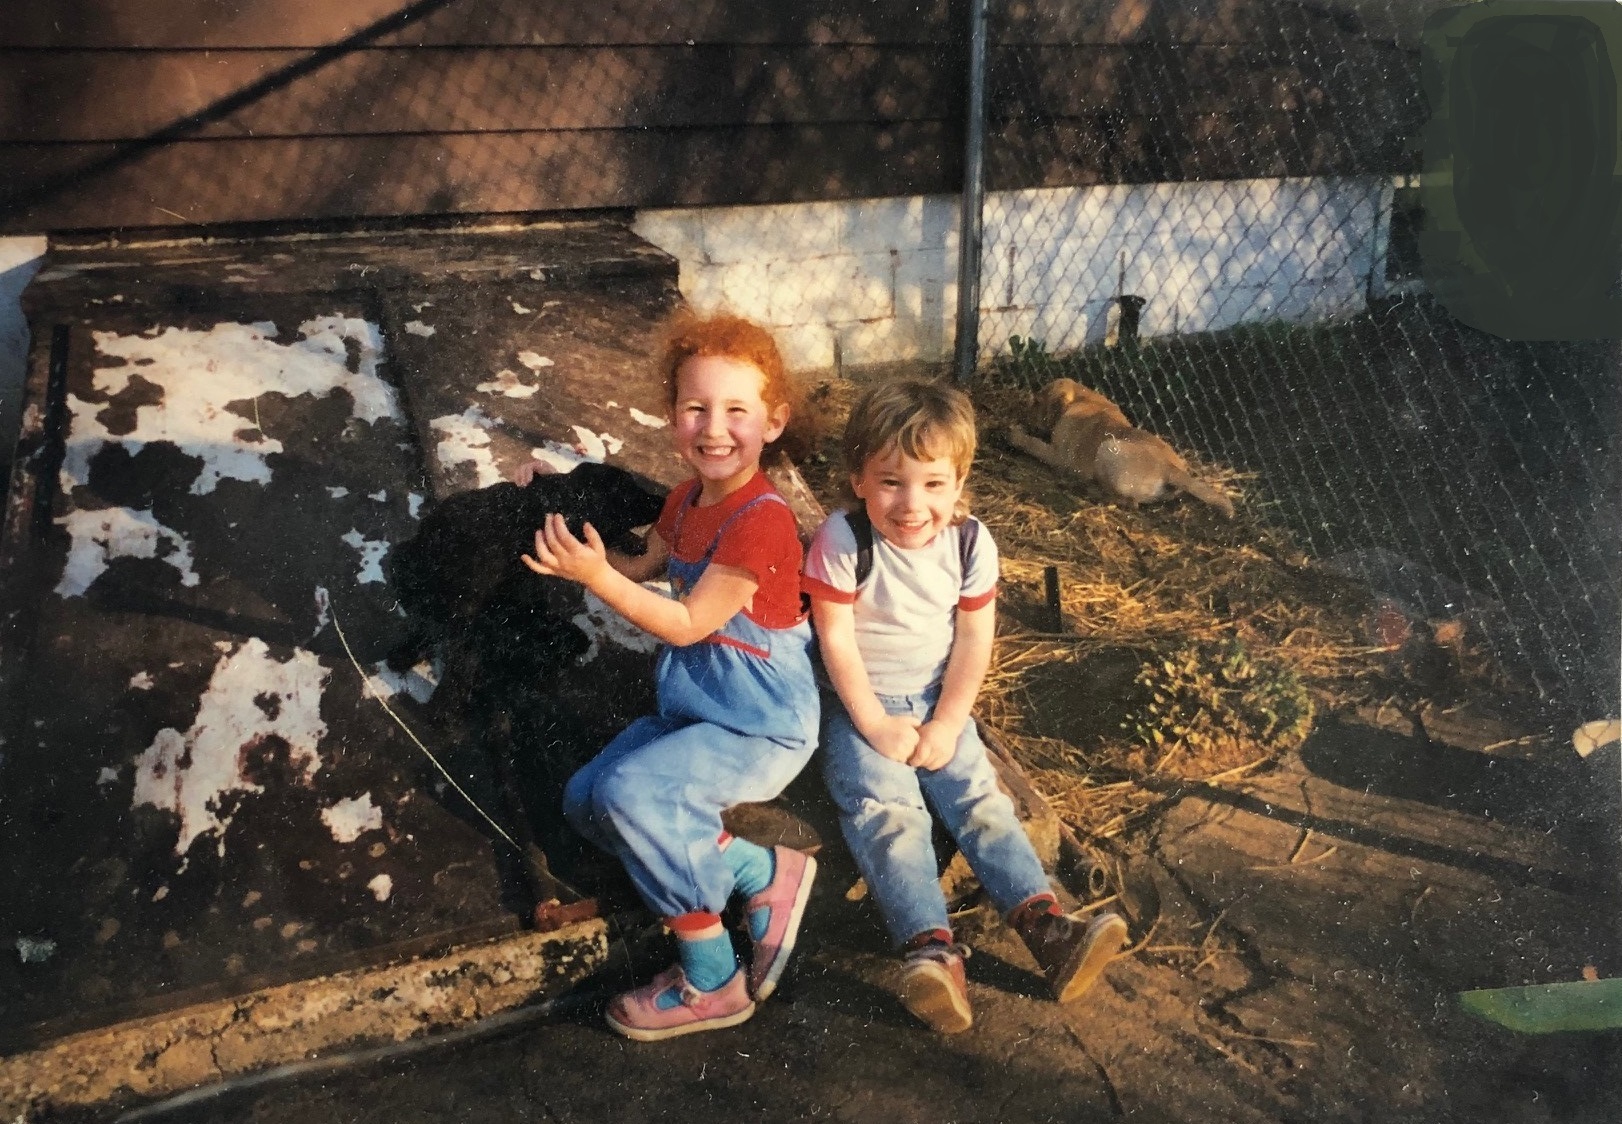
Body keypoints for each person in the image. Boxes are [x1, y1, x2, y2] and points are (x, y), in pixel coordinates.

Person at [522, 312, 819, 1042]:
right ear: (671, 415)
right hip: (699, 709)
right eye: (696, 408)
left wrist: (596, 579)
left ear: (773, 422)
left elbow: (689, 624)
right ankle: (758, 873)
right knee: (587, 799)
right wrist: (580, 553)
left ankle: (712, 976)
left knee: (633, 792)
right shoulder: (687, 499)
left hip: (759, 723)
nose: (714, 429)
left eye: (737, 411)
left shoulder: (762, 521)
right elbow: (641, 566)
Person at [803, 379, 1127, 1034]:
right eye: (891, 481)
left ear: (958, 482)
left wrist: (949, 721)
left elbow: (975, 639)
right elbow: (834, 640)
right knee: (887, 812)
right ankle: (931, 953)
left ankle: (1047, 931)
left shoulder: (971, 542)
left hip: (937, 694)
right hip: (857, 702)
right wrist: (872, 721)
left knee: (981, 800)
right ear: (859, 477)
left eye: (932, 484)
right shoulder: (842, 540)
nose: (911, 503)